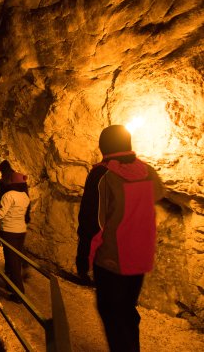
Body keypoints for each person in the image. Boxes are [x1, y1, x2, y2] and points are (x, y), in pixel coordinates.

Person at [76, 125, 165, 352]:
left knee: (112, 314)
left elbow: (92, 222)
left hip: (112, 258)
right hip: (140, 258)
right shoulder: (148, 172)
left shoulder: (102, 175)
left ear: (104, 146)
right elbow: (158, 193)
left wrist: (83, 259)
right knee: (127, 310)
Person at [0, 171, 30, 302]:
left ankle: (19, 294)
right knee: (14, 261)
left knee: (12, 263)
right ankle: (11, 286)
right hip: (21, 231)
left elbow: (0, 213)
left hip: (9, 231)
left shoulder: (8, 195)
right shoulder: (25, 196)